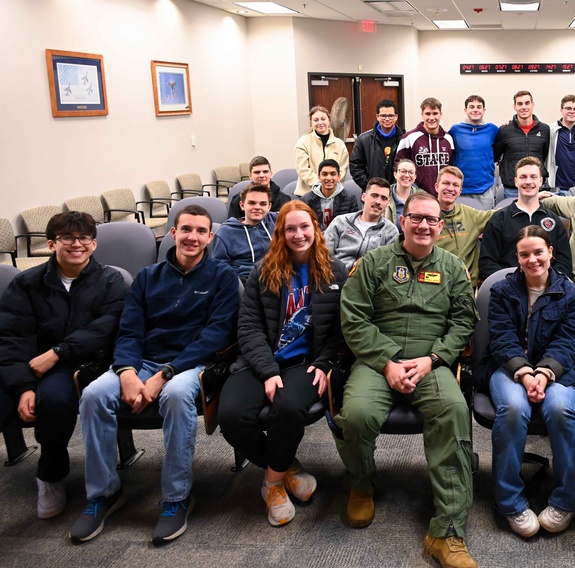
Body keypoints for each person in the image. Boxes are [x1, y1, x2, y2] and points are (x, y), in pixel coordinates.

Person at [70, 205, 240, 544]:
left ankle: (176, 498)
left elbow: (215, 336)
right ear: (173, 233)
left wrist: (165, 373)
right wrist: (128, 372)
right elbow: (130, 331)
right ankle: (103, 493)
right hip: (143, 361)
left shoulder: (221, 276)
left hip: (192, 364)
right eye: (186, 229)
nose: (192, 237)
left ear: (210, 237)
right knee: (92, 394)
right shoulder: (148, 277)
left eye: (200, 231)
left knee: (176, 395)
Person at [335, 192, 478, 568]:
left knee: (453, 411)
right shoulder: (374, 263)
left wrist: (434, 358)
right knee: (357, 415)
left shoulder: (451, 267)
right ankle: (362, 484)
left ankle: (446, 532)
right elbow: (354, 318)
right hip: (377, 361)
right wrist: (387, 363)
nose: (424, 226)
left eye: (432, 220)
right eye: (417, 218)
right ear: (403, 221)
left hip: (430, 362)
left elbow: (464, 321)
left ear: (441, 226)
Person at [218, 201, 348, 527]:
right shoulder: (263, 270)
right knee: (231, 416)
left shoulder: (336, 271)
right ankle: (286, 468)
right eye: (290, 228)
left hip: (305, 364)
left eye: (305, 227)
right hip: (258, 361)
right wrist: (267, 370)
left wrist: (324, 362)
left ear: (316, 229)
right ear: (280, 233)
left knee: (289, 409)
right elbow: (248, 327)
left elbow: (341, 329)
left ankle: (271, 484)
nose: (298, 234)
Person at [0, 212, 128, 520]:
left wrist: (58, 352)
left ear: (94, 244)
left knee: (55, 401)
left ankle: (51, 474)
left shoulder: (111, 280)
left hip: (80, 364)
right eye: (68, 238)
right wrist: (24, 387)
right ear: (51, 244)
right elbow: (14, 336)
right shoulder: (27, 283)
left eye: (84, 238)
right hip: (31, 365)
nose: (77, 244)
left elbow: (107, 326)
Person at [485, 225, 575, 538]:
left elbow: (568, 342)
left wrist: (543, 372)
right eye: (524, 254)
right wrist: (525, 372)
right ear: (517, 257)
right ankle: (510, 502)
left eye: (538, 252)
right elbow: (501, 339)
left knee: (560, 410)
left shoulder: (569, 293)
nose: (532, 260)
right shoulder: (502, 290)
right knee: (514, 409)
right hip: (509, 367)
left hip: (558, 369)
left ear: (551, 252)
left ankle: (568, 500)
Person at [479, 157, 572, 280]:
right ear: (516, 181)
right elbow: (487, 263)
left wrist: (543, 282)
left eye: (533, 177)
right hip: (508, 289)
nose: (528, 181)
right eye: (523, 177)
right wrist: (512, 282)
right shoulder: (498, 219)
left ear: (541, 181)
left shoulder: (554, 221)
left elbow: (564, 265)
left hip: (547, 290)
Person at [434, 166, 496, 283]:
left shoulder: (470, 215)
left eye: (456, 185)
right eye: (446, 183)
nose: (450, 188)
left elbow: (500, 214)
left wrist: (530, 200)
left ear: (460, 191)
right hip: (435, 282)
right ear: (436, 186)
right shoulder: (426, 215)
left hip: (465, 283)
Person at [325, 178, 398, 272]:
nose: (378, 201)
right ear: (363, 196)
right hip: (337, 277)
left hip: (369, 281)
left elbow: (388, 267)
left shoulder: (390, 231)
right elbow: (324, 255)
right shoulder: (340, 221)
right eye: (374, 196)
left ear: (388, 203)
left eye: (383, 198)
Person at [214, 184, 278, 281]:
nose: (257, 207)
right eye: (252, 203)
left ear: (269, 207)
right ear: (242, 205)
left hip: (278, 275)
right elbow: (220, 268)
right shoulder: (226, 232)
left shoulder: (277, 220)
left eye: (263, 204)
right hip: (245, 281)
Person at [494, 90, 550, 200]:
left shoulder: (545, 129)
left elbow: (544, 155)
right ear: (514, 107)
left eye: (527, 103)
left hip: (536, 187)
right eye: (519, 104)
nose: (523, 107)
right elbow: (496, 156)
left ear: (532, 105)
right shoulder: (505, 130)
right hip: (512, 189)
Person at [394, 97, 455, 196]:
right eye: (427, 114)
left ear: (441, 115)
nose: (431, 118)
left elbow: (451, 167)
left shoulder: (448, 139)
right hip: (416, 196)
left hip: (442, 195)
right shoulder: (409, 138)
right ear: (422, 115)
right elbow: (398, 166)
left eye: (435, 113)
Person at [449, 95, 500, 209]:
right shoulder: (455, 130)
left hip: (485, 188)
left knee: (485, 223)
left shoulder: (493, 129)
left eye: (479, 107)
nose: (475, 110)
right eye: (471, 107)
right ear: (465, 110)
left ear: (484, 110)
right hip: (460, 188)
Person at [294, 105, 350, 196]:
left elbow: (342, 170)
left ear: (329, 120)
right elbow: (303, 169)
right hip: (307, 193)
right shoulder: (303, 142)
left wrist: (329, 185)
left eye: (323, 119)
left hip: (333, 193)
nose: (320, 122)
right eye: (316, 120)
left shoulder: (340, 144)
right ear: (311, 122)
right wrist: (320, 186)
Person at [349, 99, 403, 190]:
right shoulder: (363, 139)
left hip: (398, 192)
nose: (387, 119)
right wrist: (369, 186)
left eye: (390, 115)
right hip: (373, 193)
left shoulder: (405, 139)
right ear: (377, 116)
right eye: (383, 116)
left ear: (396, 117)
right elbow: (355, 166)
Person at [301, 159, 360, 231]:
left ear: (339, 177)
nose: (328, 178)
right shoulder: (306, 200)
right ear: (319, 177)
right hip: (315, 238)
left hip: (340, 239)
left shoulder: (350, 198)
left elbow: (353, 227)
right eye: (324, 174)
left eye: (333, 174)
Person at [385, 158, 423, 228]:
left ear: (415, 177)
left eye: (411, 172)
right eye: (403, 171)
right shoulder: (384, 194)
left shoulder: (422, 197)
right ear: (395, 174)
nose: (407, 175)